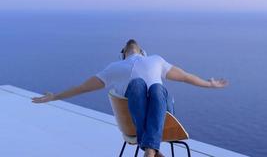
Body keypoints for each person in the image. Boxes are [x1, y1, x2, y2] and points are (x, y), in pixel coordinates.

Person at [32, 39, 228, 157]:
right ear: (124, 54)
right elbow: (83, 87)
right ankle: (151, 149)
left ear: (141, 52)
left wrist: (209, 84)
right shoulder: (115, 69)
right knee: (137, 85)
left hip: (164, 117)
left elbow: (185, 77)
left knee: (157, 88)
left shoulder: (155, 60)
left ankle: (149, 148)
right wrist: (54, 96)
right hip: (147, 122)